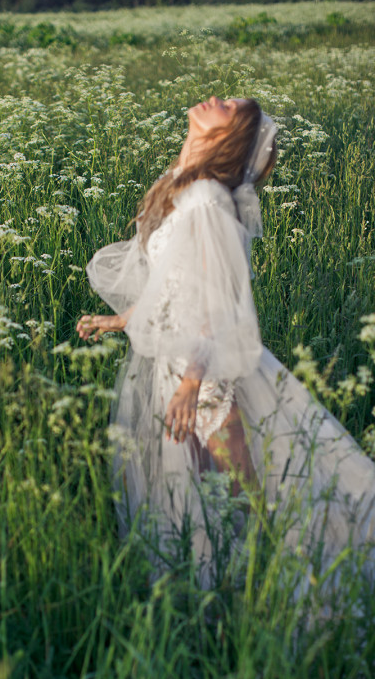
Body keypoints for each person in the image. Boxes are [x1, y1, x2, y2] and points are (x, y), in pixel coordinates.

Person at [77, 96, 375, 602]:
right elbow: (176, 282)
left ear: (232, 137)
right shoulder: (191, 189)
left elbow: (220, 303)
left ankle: (289, 588)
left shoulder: (211, 200)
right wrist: (123, 318)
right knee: (200, 485)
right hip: (178, 361)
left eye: (234, 107)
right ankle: (223, 592)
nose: (223, 98)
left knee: (241, 491)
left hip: (206, 369)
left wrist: (194, 381)